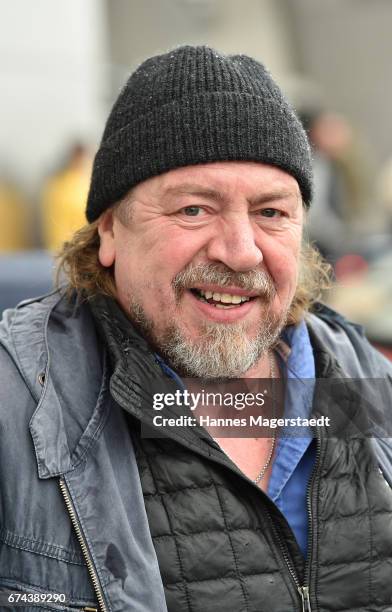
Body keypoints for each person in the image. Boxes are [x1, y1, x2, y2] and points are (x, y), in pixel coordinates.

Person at [0, 46, 391, 612]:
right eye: (193, 210)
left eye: (271, 213)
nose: (239, 251)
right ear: (109, 231)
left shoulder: (364, 378)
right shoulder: (17, 401)